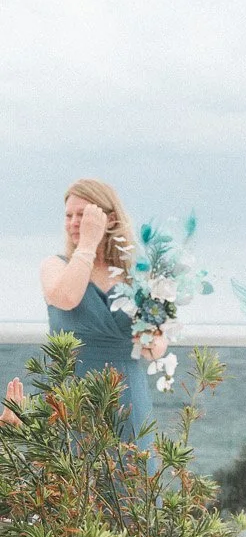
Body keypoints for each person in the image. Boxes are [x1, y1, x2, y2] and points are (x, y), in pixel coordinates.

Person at [40, 179, 166, 436]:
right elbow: (67, 298)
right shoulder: (55, 266)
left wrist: (151, 341)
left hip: (127, 397)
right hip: (72, 397)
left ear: (109, 220)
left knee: (131, 473)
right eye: (69, 215)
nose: (74, 222)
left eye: (83, 215)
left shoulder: (136, 275)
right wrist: (87, 245)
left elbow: (156, 349)